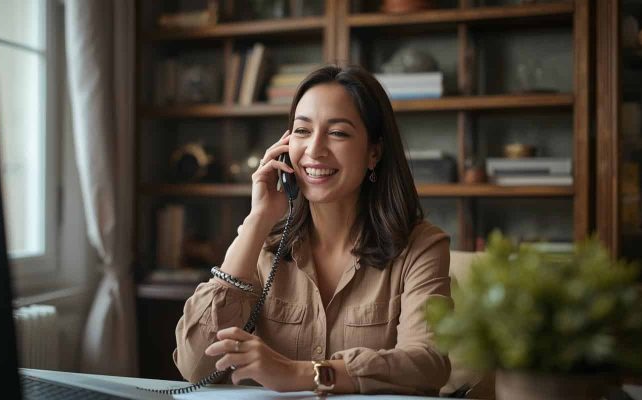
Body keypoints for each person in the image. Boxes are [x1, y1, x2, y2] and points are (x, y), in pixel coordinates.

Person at [173, 65, 452, 395]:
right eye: (303, 131)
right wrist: (258, 219)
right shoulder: (264, 243)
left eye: (338, 133)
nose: (314, 149)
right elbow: (194, 367)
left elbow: (427, 363)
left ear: (374, 152)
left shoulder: (421, 246)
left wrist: (300, 373)